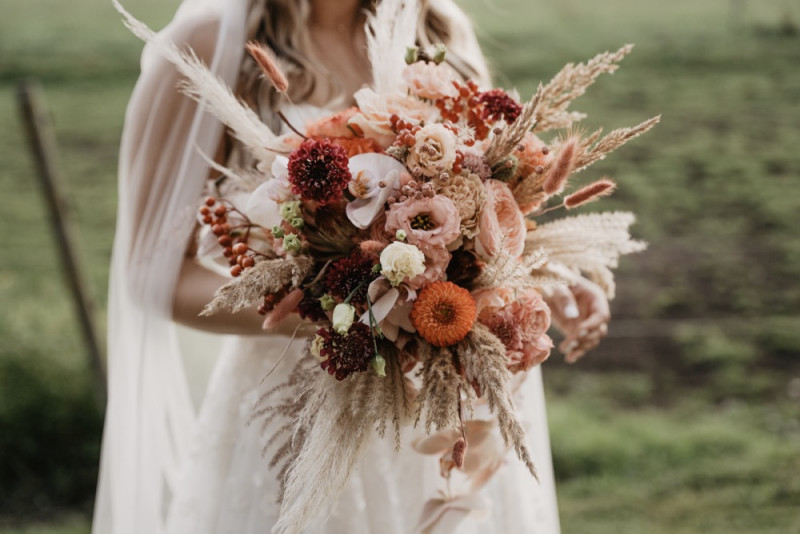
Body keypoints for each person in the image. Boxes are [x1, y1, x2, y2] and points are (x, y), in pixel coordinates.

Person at [95, 0, 610, 532]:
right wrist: (345, 320)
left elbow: (484, 200)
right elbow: (154, 276)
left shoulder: (437, 32)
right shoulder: (207, 46)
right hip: (301, 415)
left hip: (448, 415)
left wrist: (545, 281)